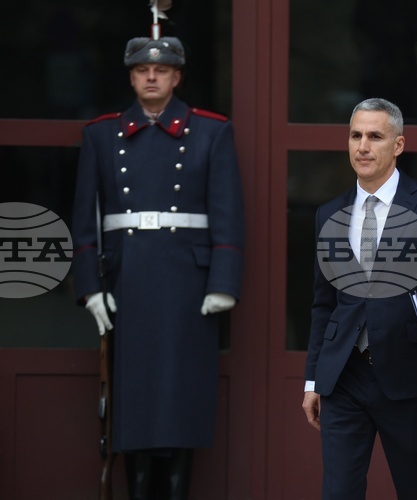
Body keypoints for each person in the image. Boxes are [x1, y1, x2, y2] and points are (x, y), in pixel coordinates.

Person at [71, 31, 244, 499]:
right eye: (143, 70)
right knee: (134, 401)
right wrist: (90, 288)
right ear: (131, 78)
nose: (152, 77)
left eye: (161, 70)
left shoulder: (211, 131)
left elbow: (227, 211)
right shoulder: (101, 134)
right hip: (126, 281)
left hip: (188, 283)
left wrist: (223, 281)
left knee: (181, 398)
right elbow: (84, 219)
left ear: (176, 77)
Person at [301, 97, 417, 499]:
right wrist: (313, 379)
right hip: (343, 378)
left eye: (375, 137)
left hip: (411, 375)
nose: (362, 146)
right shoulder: (328, 214)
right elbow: (323, 304)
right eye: (355, 136)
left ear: (398, 144)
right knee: (338, 492)